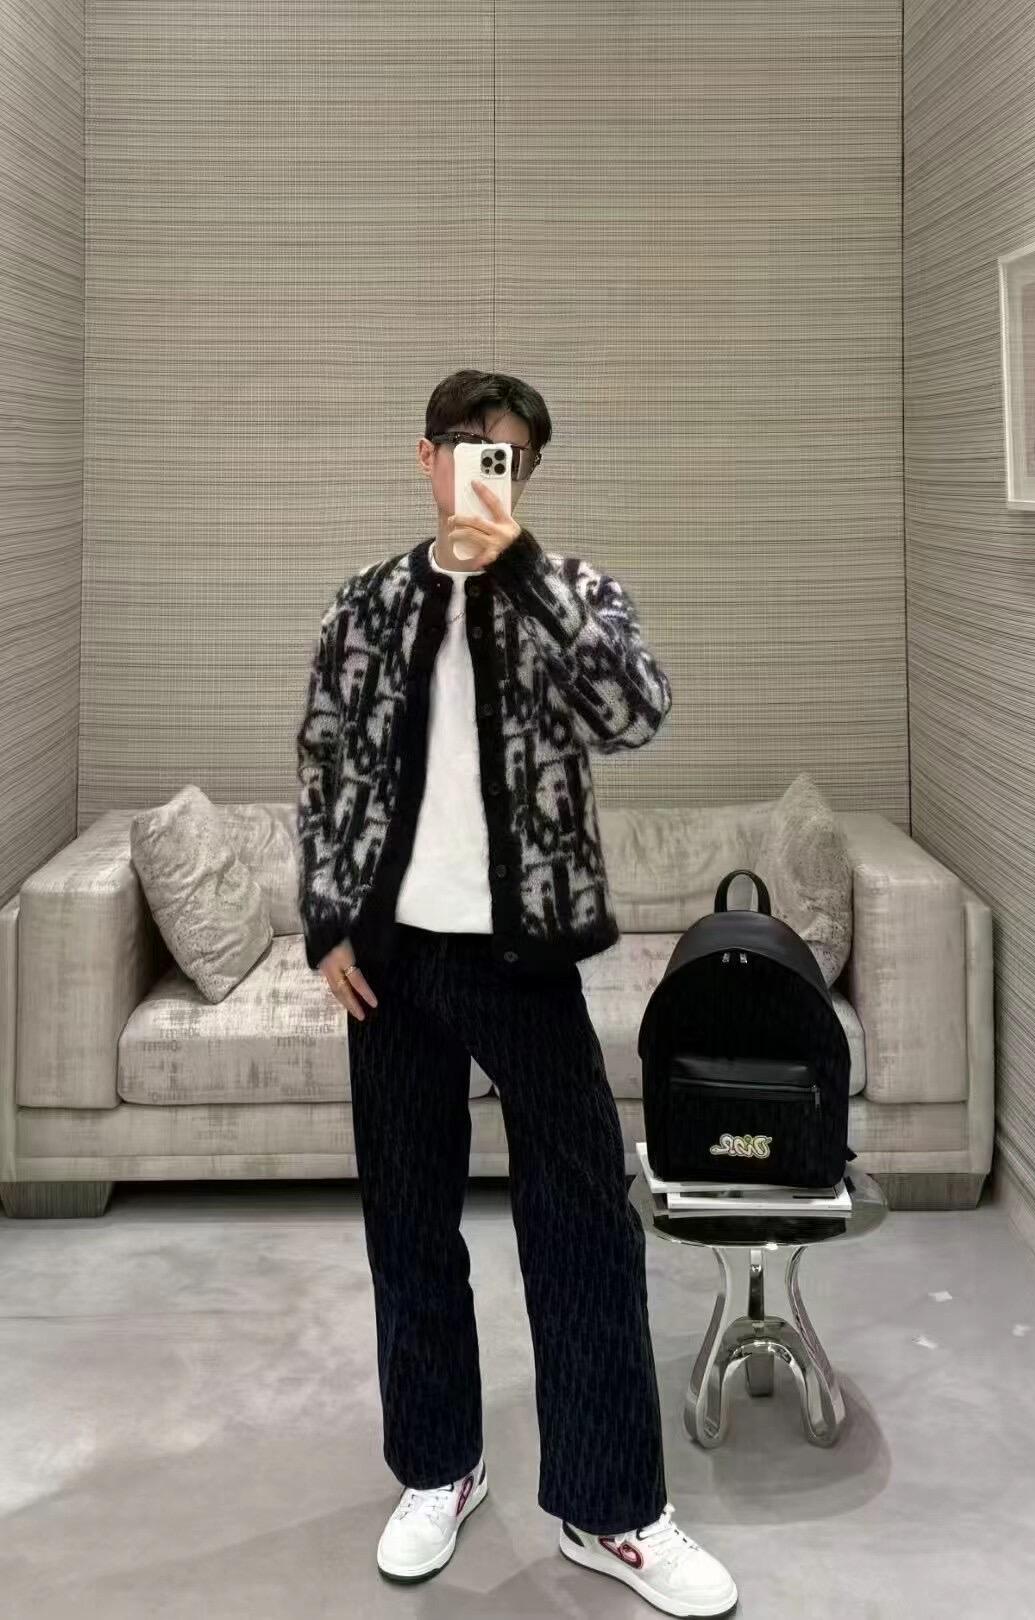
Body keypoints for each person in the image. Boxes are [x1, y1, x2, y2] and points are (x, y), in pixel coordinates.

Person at [295, 369, 738, 1617]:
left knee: (584, 1227)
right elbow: (326, 760)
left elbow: (635, 713)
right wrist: (327, 920)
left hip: (524, 958)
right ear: (423, 455)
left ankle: (612, 1510)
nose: (482, 473)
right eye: (465, 448)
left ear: (526, 476)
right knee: (408, 1228)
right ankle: (439, 1467)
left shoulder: (571, 590)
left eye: (509, 459)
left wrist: (525, 568)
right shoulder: (368, 602)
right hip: (391, 961)